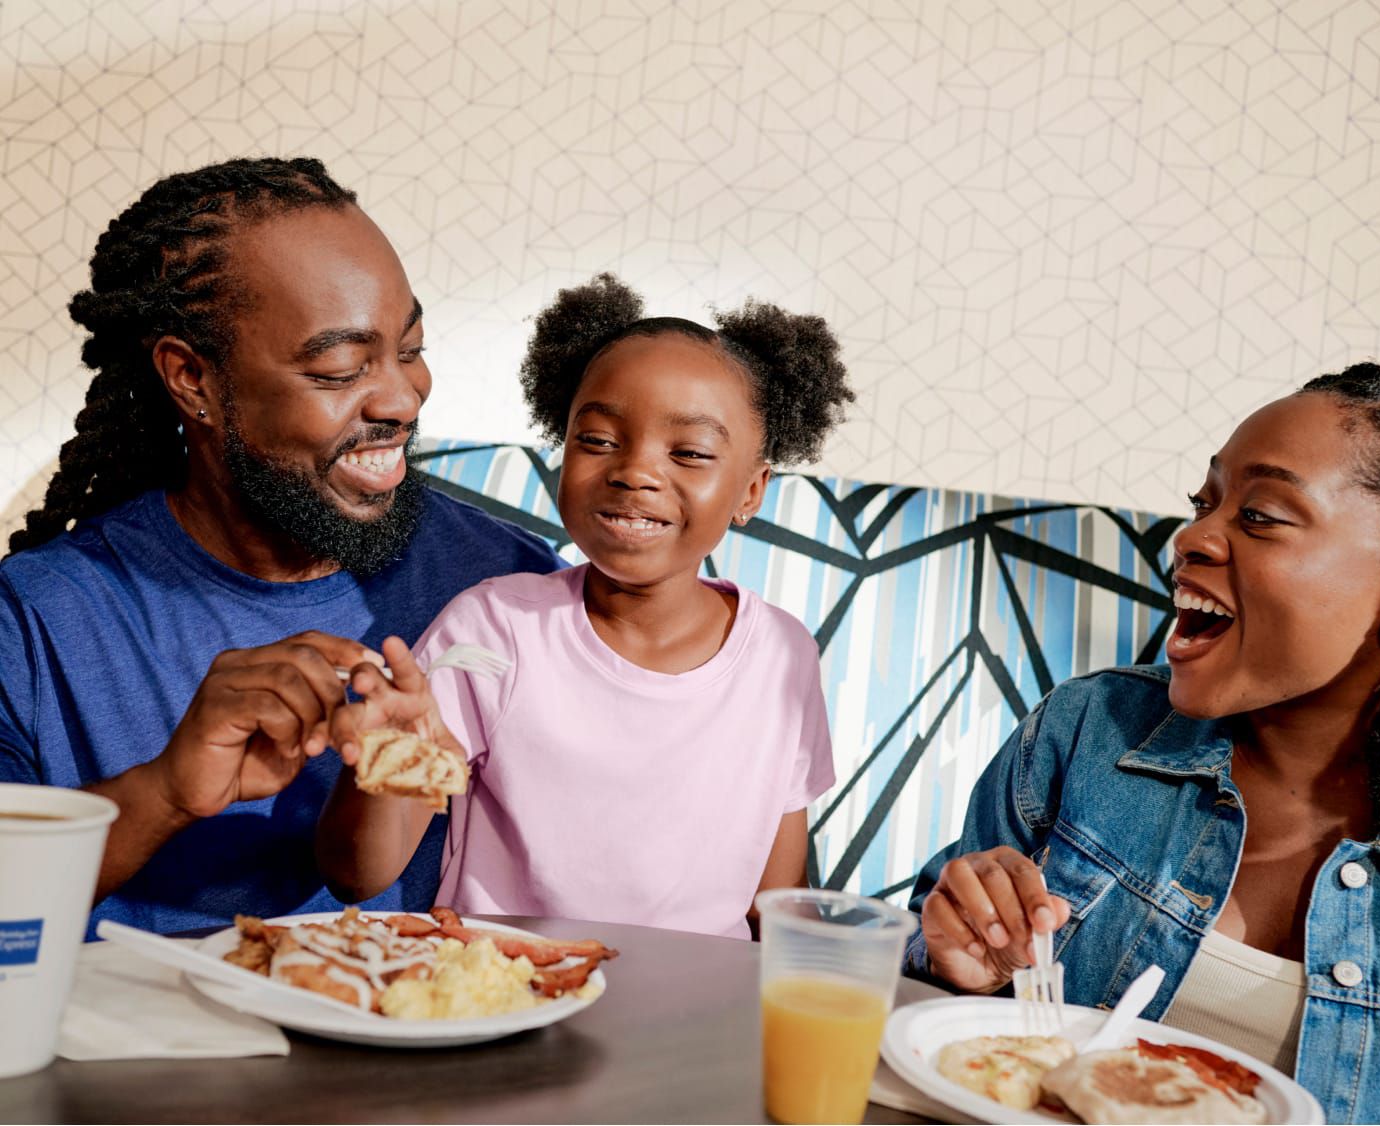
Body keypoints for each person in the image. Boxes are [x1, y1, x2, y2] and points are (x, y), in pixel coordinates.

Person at [905, 363, 1380, 1124]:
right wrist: (964, 969)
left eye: (1261, 516)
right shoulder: (1086, 731)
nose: (1192, 537)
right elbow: (922, 1006)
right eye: (1204, 503)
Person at [0, 157, 560, 936]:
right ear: (192, 379)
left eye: (411, 347)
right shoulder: (40, 620)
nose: (400, 398)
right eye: (339, 368)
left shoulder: (510, 589)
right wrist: (163, 792)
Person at [316, 273, 855, 939]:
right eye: (597, 441)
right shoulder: (495, 630)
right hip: (509, 997)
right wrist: (381, 758)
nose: (635, 471)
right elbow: (359, 873)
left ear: (750, 491)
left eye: (688, 452)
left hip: (696, 1011)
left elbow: (776, 901)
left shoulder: (783, 654)